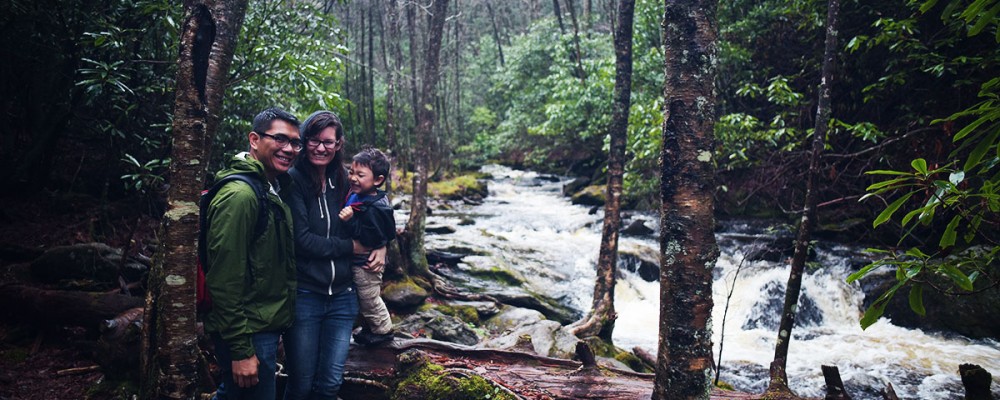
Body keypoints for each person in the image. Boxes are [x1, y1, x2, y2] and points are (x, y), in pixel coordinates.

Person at [283, 111, 387, 399]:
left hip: (343, 297)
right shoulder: (293, 180)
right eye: (314, 140)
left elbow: (378, 209)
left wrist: (381, 243)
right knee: (301, 383)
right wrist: (353, 248)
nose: (321, 148)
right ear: (304, 142)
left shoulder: (347, 178)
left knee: (329, 385)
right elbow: (302, 241)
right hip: (305, 295)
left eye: (328, 142)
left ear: (338, 144)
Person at [204, 107, 302, 400]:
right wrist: (241, 350)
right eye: (280, 139)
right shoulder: (241, 196)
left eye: (295, 143)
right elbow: (224, 278)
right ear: (254, 139)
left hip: (261, 326)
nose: (289, 149)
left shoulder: (269, 187)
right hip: (248, 332)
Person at [339, 147, 396, 345]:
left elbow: (371, 237)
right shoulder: (360, 195)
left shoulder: (375, 207)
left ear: (378, 180)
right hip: (357, 261)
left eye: (360, 175)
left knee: (368, 297)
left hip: (367, 263)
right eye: (351, 172)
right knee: (361, 298)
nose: (353, 178)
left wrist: (350, 221)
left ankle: (383, 330)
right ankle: (369, 328)